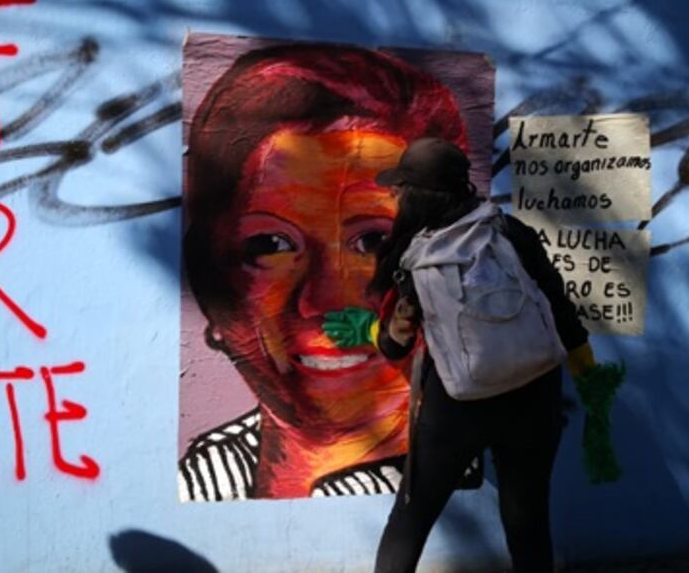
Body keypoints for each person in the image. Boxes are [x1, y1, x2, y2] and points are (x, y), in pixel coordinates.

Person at [178, 43, 476, 500]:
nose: (323, 298)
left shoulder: (457, 467)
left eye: (375, 241)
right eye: (271, 245)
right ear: (215, 282)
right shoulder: (206, 475)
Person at [366, 138, 598, 573]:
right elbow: (560, 308)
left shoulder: (413, 255)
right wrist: (589, 376)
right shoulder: (510, 232)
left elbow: (394, 344)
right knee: (527, 520)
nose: (393, 195)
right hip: (535, 394)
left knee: (411, 518)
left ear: (415, 195)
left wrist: (385, 330)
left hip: (456, 406)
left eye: (399, 188)